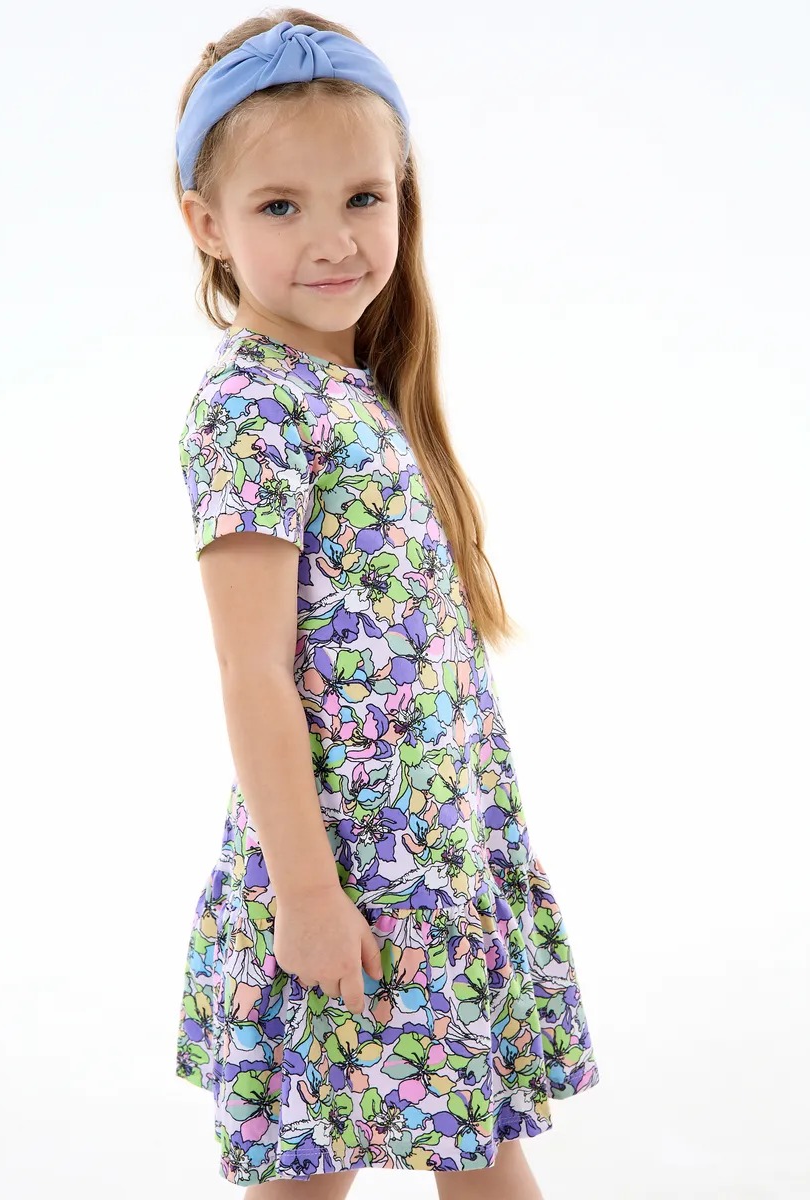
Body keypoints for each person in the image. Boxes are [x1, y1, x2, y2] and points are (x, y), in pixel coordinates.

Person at [172, 10, 599, 1192]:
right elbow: (250, 671)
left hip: (435, 859)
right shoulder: (253, 409)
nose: (334, 239)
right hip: (350, 869)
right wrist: (309, 896)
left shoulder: (353, 392)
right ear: (207, 224)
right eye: (279, 206)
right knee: (324, 1165)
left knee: (433, 1148)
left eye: (364, 197)